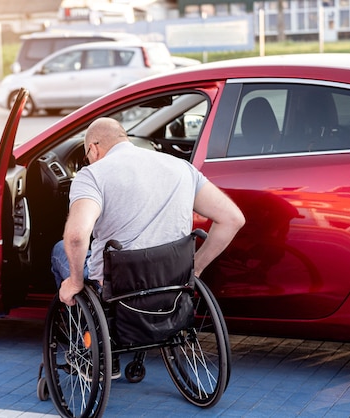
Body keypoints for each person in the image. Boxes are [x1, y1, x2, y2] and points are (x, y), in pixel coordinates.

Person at [51, 117, 245, 377]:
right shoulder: (180, 168)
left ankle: (91, 345)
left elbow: (76, 237)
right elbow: (233, 219)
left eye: (88, 156)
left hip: (117, 283)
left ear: (93, 149)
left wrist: (74, 281)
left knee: (58, 251)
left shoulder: (93, 175)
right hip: (172, 278)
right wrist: (194, 269)